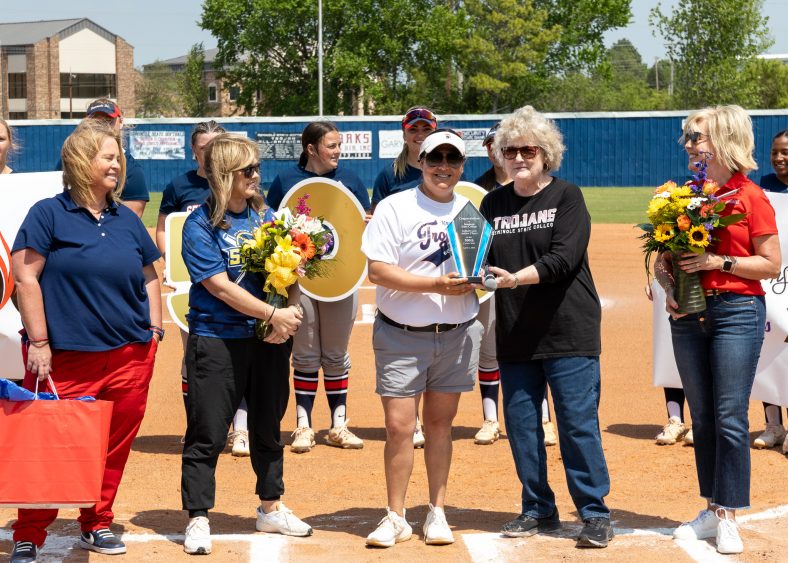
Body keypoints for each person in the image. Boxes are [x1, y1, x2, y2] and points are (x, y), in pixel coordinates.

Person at [9, 119, 161, 562]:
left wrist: (153, 329)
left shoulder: (125, 220)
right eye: (108, 158)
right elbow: (25, 276)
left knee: (113, 444)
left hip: (130, 356)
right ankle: (30, 532)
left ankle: (96, 522)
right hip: (64, 359)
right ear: (81, 162)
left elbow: (150, 273)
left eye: (118, 158)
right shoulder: (48, 213)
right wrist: (38, 341)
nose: (117, 166)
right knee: (50, 446)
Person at [480, 105, 614, 548]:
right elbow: (478, 258)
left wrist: (516, 277)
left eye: (529, 150)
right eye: (511, 150)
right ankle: (537, 507)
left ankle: (594, 512)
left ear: (546, 154)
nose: (520, 157)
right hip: (516, 332)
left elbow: (563, 259)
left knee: (576, 424)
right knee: (521, 426)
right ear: (501, 155)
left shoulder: (566, 197)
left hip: (568, 330)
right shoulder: (492, 203)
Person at [655, 105, 781, 555]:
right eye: (687, 137)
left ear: (725, 140)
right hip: (688, 315)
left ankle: (728, 513)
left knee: (729, 416)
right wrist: (668, 283)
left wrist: (717, 262)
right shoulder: (682, 198)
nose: (689, 145)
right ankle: (710, 506)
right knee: (703, 416)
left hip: (736, 311)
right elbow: (663, 261)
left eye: (697, 137)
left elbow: (770, 263)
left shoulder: (750, 196)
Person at [179, 134, 309, 556]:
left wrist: (287, 316)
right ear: (223, 175)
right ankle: (199, 516)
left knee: (268, 426)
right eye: (248, 170)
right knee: (208, 431)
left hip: (270, 340)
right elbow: (219, 288)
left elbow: (292, 271)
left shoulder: (268, 217)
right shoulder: (199, 225)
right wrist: (272, 315)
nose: (257, 175)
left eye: (257, 167)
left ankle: (270, 506)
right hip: (217, 340)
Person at [361, 129, 483, 548]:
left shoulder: (470, 212)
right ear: (421, 162)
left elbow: (477, 270)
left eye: (452, 160)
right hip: (401, 335)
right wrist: (435, 284)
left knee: (439, 426)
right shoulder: (395, 207)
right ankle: (395, 515)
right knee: (398, 428)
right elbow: (377, 271)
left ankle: (437, 510)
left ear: (462, 167)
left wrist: (475, 284)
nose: (443, 168)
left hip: (455, 335)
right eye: (435, 159)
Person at [266, 121, 370, 453]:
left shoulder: (351, 181)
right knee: (306, 353)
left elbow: (360, 232)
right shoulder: (286, 181)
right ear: (311, 149)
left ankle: (339, 424)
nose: (338, 151)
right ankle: (303, 425)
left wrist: (365, 222)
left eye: (339, 145)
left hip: (341, 279)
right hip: (301, 280)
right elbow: (272, 225)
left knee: (337, 353)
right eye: (332, 146)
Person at [154, 120, 251, 457]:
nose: (210, 152)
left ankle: (240, 431)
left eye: (216, 145)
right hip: (193, 285)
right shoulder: (179, 186)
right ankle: (198, 424)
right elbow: (165, 229)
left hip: (237, 284)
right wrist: (171, 263)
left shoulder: (241, 187)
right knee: (194, 359)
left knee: (242, 358)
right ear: (193, 150)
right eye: (204, 146)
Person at [472, 124, 558, 447]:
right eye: (500, 147)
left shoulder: (546, 190)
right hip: (494, 284)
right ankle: (490, 418)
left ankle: (545, 417)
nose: (509, 154)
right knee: (491, 350)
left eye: (521, 149)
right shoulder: (479, 189)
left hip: (532, 285)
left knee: (541, 351)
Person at [371, 106, 438, 447]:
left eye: (426, 128)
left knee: (433, 342)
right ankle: (409, 422)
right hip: (400, 268)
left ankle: (423, 421)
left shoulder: (444, 171)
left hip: (434, 264)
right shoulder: (390, 176)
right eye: (414, 129)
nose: (420, 134)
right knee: (408, 340)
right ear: (405, 133)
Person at [753, 129, 788, 452]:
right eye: (775, 152)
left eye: (785, 152)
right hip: (771, 282)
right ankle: (773, 425)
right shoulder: (762, 185)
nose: (779, 158)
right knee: (769, 349)